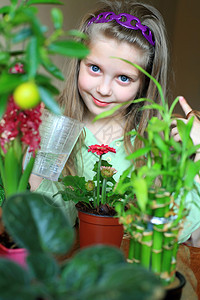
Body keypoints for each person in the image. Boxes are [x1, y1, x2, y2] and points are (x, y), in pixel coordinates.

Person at [31, 0, 200, 244]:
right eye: (95, 68)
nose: (103, 89)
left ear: (144, 84)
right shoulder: (56, 126)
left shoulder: (158, 139)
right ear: (78, 62)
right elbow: (56, 221)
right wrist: (32, 158)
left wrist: (197, 157)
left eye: (123, 78)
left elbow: (177, 231)